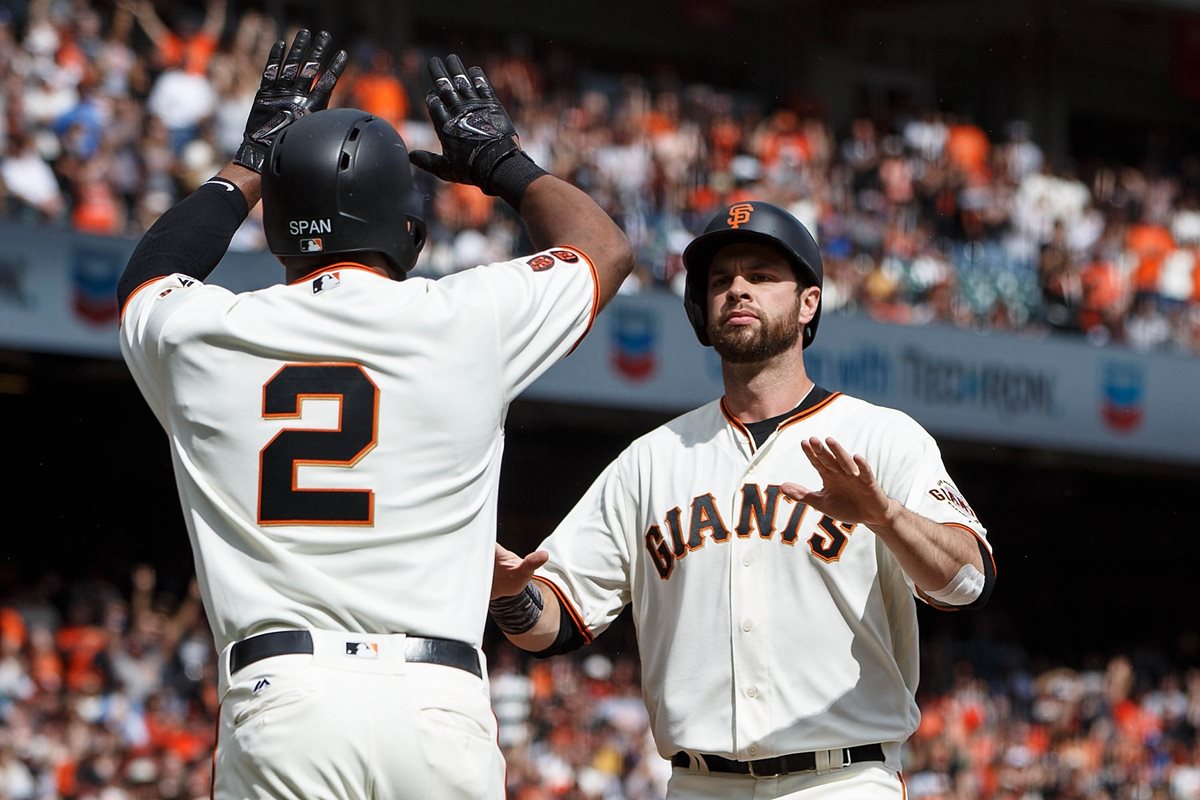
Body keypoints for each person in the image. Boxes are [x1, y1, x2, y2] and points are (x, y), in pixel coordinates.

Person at [117, 27, 633, 800]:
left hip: (283, 697)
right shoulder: (470, 317)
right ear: (412, 235)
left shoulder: (207, 332)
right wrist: (500, 163)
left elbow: (148, 276)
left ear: (276, 229)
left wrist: (248, 163)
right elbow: (604, 247)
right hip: (435, 702)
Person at [492, 200, 995, 798]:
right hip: (698, 783)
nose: (737, 290)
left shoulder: (881, 437)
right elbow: (554, 624)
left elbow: (965, 582)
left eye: (761, 275)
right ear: (702, 311)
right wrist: (509, 596)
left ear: (809, 302)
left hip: (840, 780)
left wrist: (886, 516)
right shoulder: (651, 459)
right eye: (721, 281)